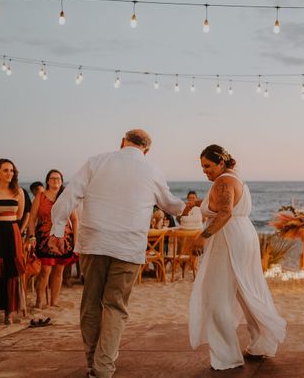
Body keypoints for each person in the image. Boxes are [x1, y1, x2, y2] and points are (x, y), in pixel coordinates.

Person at [48, 129, 187, 378]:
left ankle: (93, 362)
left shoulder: (97, 161)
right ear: (147, 150)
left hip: (94, 242)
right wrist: (187, 207)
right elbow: (169, 204)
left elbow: (69, 194)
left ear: (122, 142)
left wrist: (57, 229)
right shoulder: (152, 170)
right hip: (128, 247)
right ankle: (103, 368)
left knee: (91, 302)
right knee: (115, 306)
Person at [189, 144, 286, 371]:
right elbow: (223, 203)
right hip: (242, 235)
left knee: (216, 296)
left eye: (208, 166)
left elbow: (225, 212)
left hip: (228, 239)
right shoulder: (233, 178)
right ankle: (262, 342)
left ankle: (226, 356)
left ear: (221, 162)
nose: (205, 171)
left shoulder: (223, 181)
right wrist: (196, 203)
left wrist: (202, 236)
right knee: (246, 290)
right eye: (202, 167)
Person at [27, 169, 78, 308]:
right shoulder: (40, 196)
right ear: (47, 181)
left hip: (64, 239)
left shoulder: (67, 197)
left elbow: (74, 219)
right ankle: (39, 302)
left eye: (58, 178)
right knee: (45, 271)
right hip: (44, 238)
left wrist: (77, 241)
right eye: (52, 178)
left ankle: (54, 302)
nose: (55, 181)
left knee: (59, 270)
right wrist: (31, 236)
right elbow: (32, 219)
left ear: (61, 181)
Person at [0, 159, 26, 325]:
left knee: (12, 271)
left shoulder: (19, 192)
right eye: (5, 170)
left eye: (11, 170)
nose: (9, 173)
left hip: (12, 233)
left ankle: (9, 313)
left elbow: (19, 216)